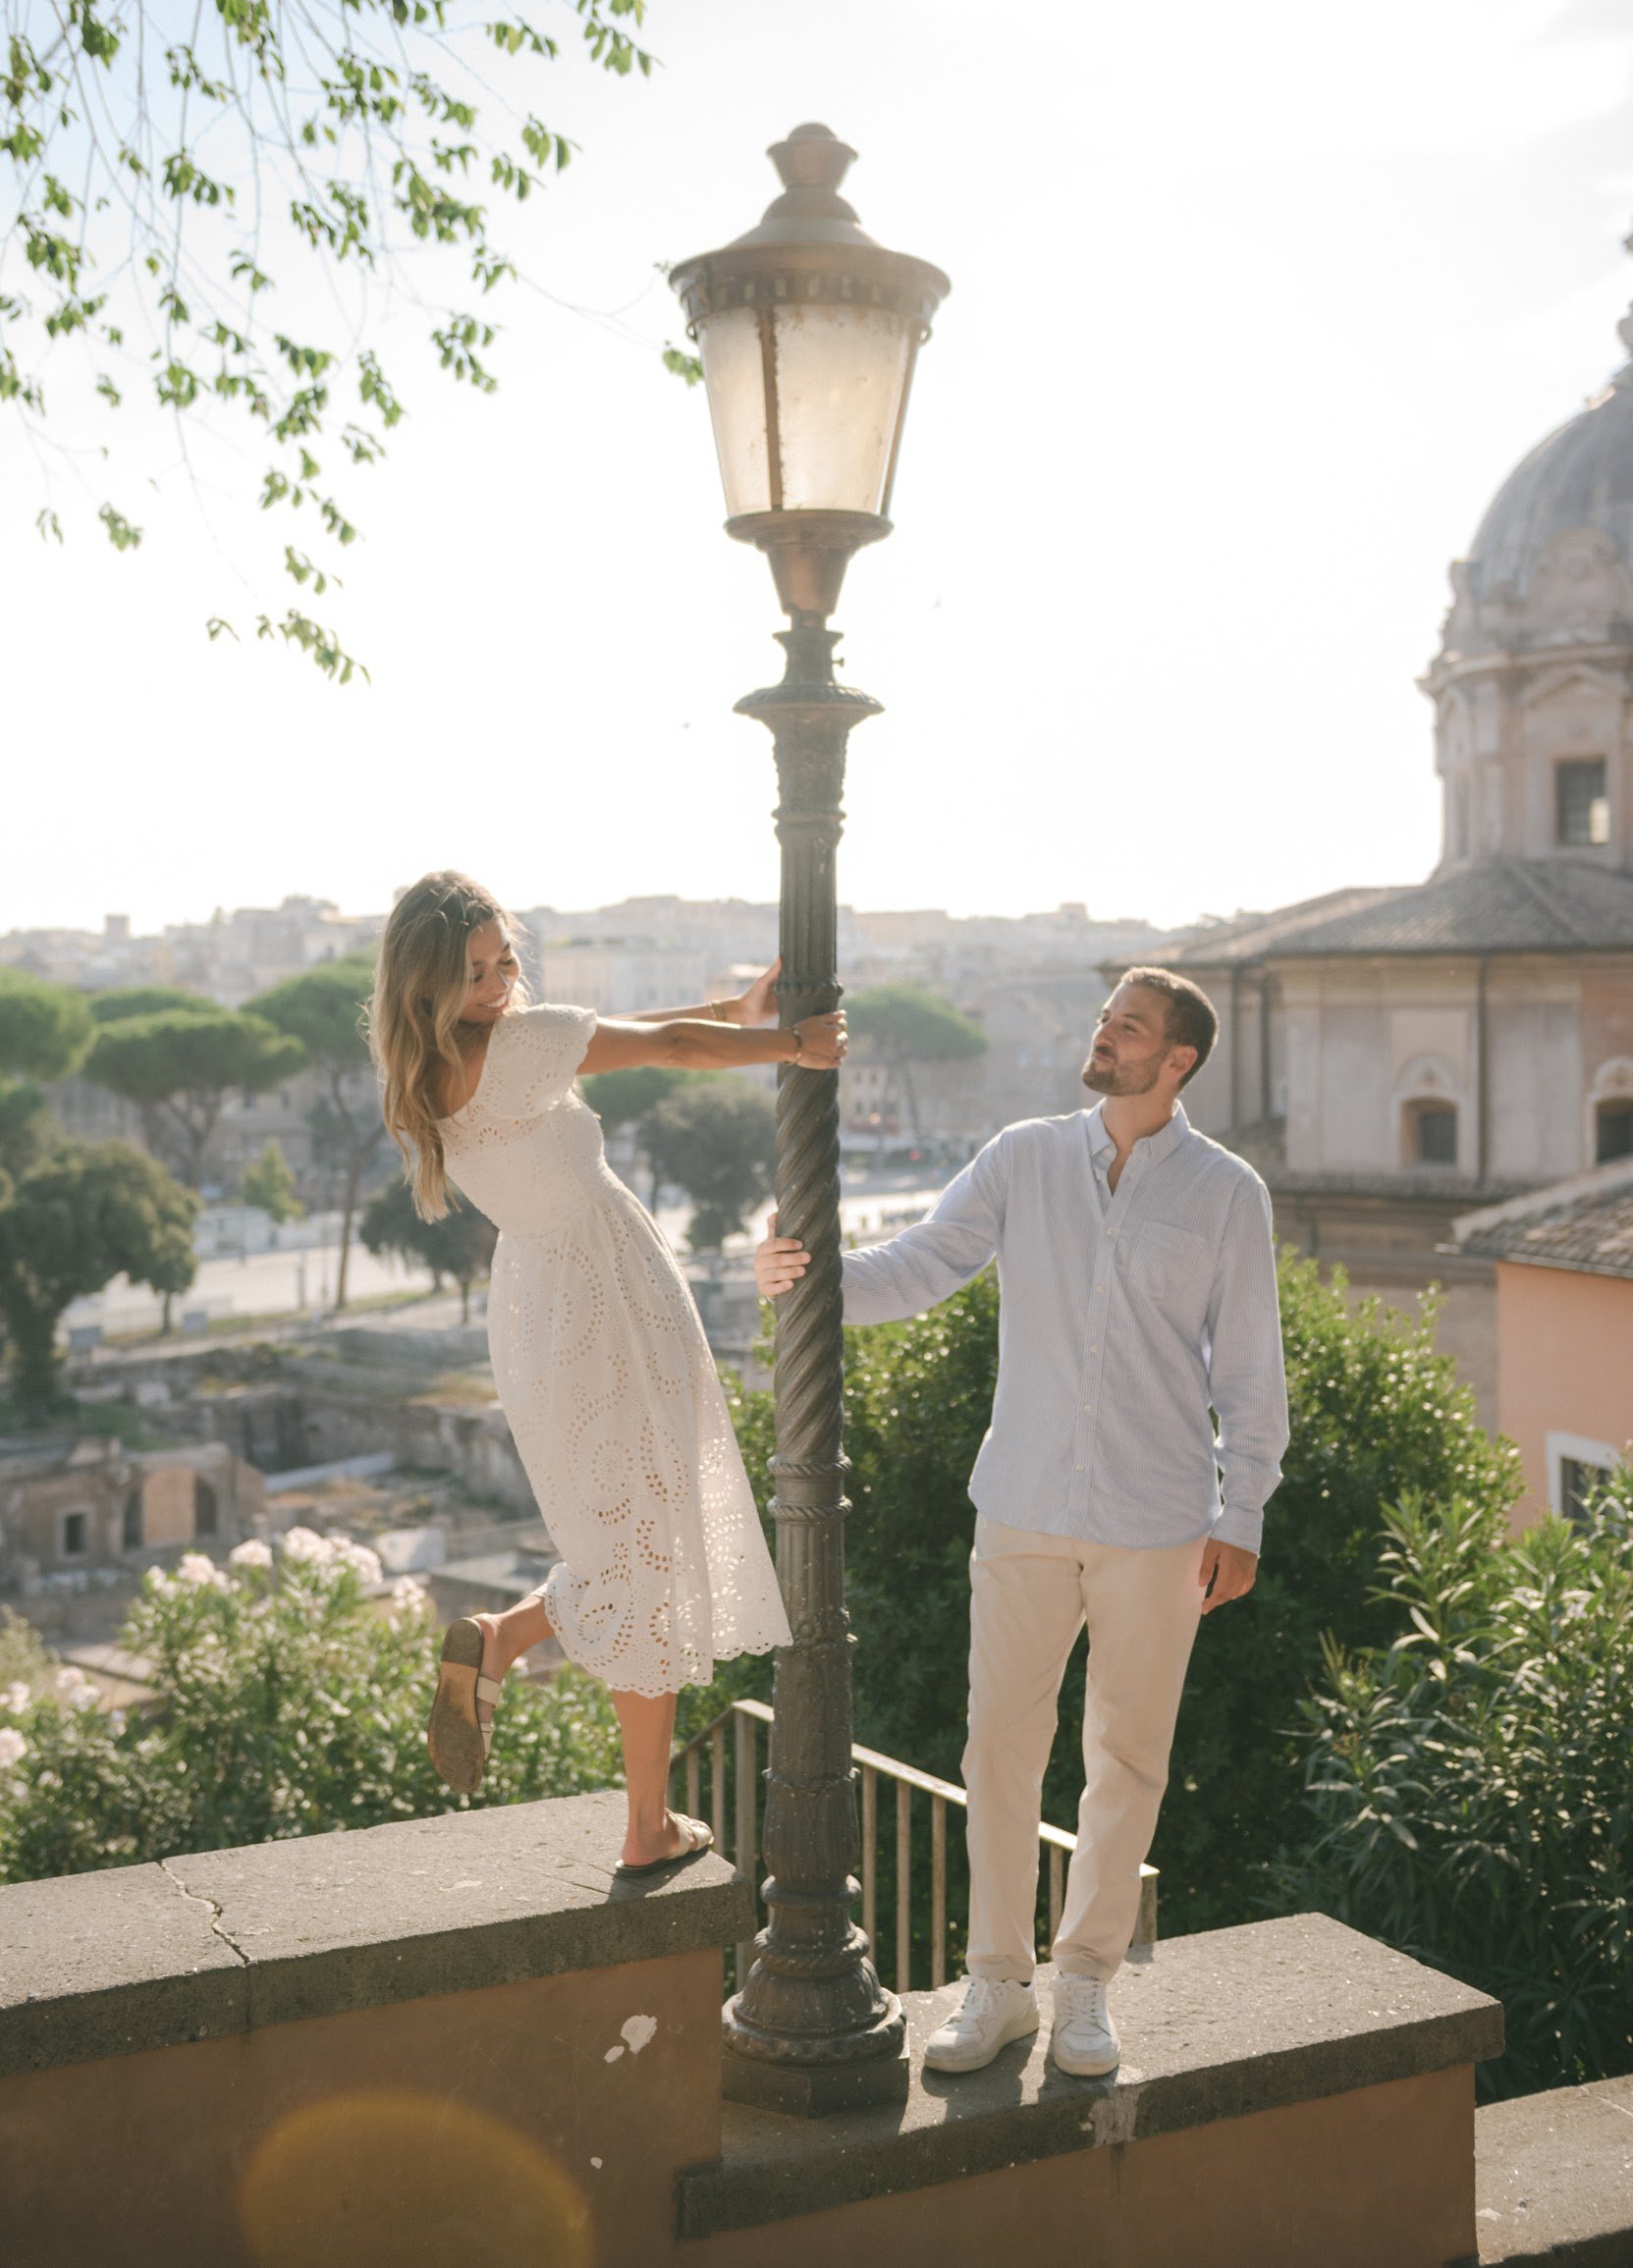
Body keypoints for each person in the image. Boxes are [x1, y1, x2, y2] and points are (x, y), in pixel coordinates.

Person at [756, 968, 1287, 2073]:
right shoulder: (1023, 1155)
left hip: (1159, 1519)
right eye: (1102, 1019)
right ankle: (995, 1982)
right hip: (1025, 1505)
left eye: (1127, 1027)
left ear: (1176, 1058)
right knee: (997, 1743)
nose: (1103, 1036)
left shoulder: (1227, 1192)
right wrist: (804, 1277)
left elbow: (1247, 1369)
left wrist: (1244, 1512)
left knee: (1125, 1757)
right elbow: (920, 1268)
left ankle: (1084, 1983)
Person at [371, 870, 843, 1876]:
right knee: (646, 1552)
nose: (500, 985)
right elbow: (661, 1049)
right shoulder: (511, 1047)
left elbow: (624, 1033)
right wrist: (787, 1045)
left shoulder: (440, 1060)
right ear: (425, 984)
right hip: (607, 1301)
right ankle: (639, 1822)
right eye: (475, 973)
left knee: (636, 1544)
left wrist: (730, 1011)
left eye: (505, 963)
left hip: (545, 1304)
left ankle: (507, 1643)